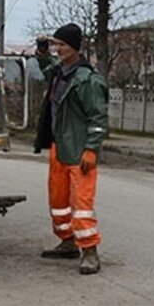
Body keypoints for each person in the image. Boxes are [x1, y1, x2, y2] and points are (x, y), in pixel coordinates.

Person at [33, 23, 109, 275]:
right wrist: (41, 52)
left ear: (75, 48)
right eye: (55, 44)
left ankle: (89, 250)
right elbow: (47, 69)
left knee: (81, 203)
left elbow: (98, 118)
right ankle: (67, 242)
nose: (58, 49)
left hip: (79, 150)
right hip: (60, 146)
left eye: (61, 45)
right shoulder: (60, 72)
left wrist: (91, 149)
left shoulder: (88, 80)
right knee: (59, 201)